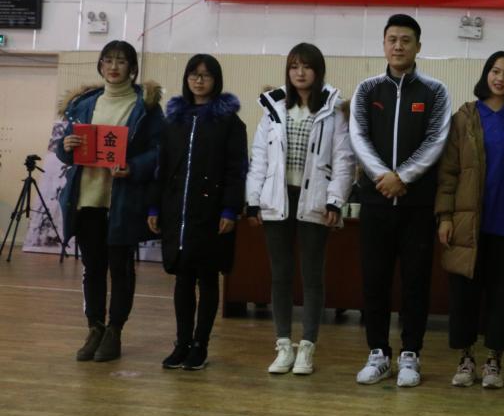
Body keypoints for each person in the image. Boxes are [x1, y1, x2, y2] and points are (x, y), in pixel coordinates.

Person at [350, 14, 452, 387]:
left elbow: (436, 140)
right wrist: (384, 177)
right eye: (392, 39)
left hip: (417, 205)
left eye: (406, 40)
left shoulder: (435, 91)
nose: (398, 46)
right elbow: (358, 137)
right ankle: (378, 352)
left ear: (418, 47)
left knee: (415, 282)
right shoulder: (367, 90)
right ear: (383, 44)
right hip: (376, 202)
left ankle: (411, 354)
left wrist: (403, 177)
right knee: (374, 281)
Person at [245, 43, 354, 376]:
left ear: (318, 71)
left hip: (315, 202)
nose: (300, 73)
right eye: (294, 66)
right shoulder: (273, 107)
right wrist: (253, 199)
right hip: (277, 201)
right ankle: (283, 345)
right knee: (280, 275)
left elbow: (344, 161)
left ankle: (307, 346)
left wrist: (335, 200)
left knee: (312, 276)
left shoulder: (333, 110)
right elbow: (259, 158)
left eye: (306, 66)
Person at [56, 40, 164, 362]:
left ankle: (115, 330)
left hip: (122, 201)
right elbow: (65, 150)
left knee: (120, 268)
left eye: (121, 61)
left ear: (132, 68)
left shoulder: (145, 107)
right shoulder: (85, 104)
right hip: (87, 198)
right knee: (92, 268)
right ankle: (94, 328)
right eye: (108, 60)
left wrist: (134, 166)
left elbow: (161, 152)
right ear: (100, 65)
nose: (114, 67)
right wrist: (66, 146)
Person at [435, 51, 504, 389]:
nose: (500, 78)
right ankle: (465, 359)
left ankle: (493, 361)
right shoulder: (465, 117)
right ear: (486, 74)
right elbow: (448, 172)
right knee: (465, 296)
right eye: (495, 71)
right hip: (468, 225)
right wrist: (445, 217)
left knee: (501, 297)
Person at [147, 54, 248, 371]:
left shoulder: (229, 122)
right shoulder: (174, 120)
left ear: (216, 80)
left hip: (212, 212)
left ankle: (200, 345)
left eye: (206, 75)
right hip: (177, 211)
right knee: (182, 278)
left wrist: (230, 209)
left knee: (207, 277)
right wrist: (155, 205)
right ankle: (181, 343)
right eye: (194, 74)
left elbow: (237, 170)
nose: (199, 80)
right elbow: (161, 167)